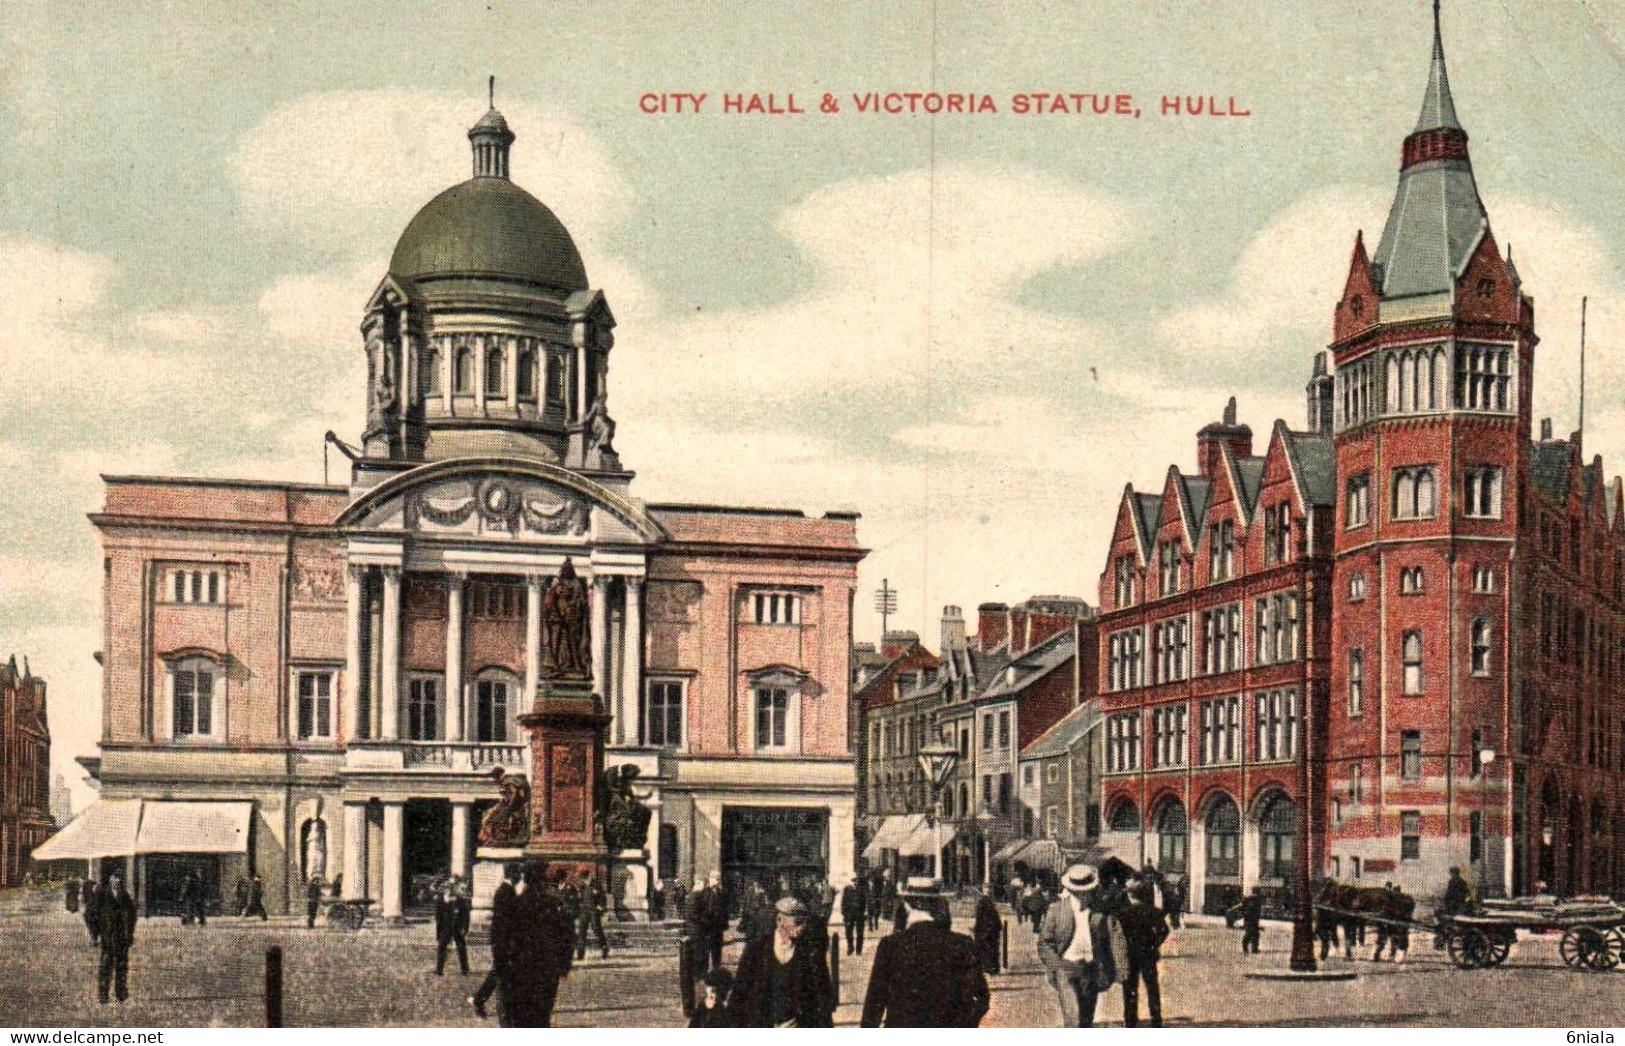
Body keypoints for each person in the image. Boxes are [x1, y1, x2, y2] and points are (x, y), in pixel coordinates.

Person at [861, 878, 989, 1028]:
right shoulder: (962, 944)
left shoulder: (890, 946)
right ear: (937, 904)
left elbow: (874, 1003)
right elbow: (982, 998)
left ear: (907, 906)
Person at [1036, 864, 1125, 1028]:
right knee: (1073, 1020)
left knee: (1085, 1021)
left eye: (1088, 891)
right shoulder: (1056, 910)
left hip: (1091, 971)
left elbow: (1115, 938)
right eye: (1081, 892)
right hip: (1067, 969)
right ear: (1072, 890)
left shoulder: (1102, 911)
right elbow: (1044, 943)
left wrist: (1121, 971)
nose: (1085, 895)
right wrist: (1057, 966)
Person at [729, 896, 835, 1027]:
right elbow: (739, 992)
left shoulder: (810, 953)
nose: (802, 927)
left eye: (804, 922)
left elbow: (822, 997)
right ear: (780, 921)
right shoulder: (757, 949)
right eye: (798, 922)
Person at [501, 864, 576, 1027]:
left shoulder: (516, 903)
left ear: (524, 879)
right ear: (543, 879)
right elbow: (568, 936)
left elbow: (505, 939)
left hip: (521, 969)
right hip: (548, 969)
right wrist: (564, 966)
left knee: (522, 1016)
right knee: (542, 1015)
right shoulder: (555, 902)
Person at [1117, 876, 1170, 1028]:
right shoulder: (1154, 912)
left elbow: (1118, 935)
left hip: (1130, 956)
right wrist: (1154, 944)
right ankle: (1156, 1019)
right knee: (1152, 987)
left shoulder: (1123, 914)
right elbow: (1164, 930)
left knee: (1130, 989)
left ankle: (1130, 1020)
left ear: (1129, 894)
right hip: (1149, 955)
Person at [471, 863, 521, 1019]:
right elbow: (507, 922)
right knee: (503, 975)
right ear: (513, 875)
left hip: (502, 942)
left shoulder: (505, 891)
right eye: (518, 874)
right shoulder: (506, 892)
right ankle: (501, 1009)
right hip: (503, 942)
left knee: (498, 974)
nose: (520, 878)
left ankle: (479, 1000)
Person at [96, 873, 138, 1004]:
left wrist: (130, 934)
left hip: (121, 937)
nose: (117, 882)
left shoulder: (125, 896)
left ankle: (121, 992)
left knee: (122, 965)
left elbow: (132, 917)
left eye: (119, 881)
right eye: (115, 880)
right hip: (107, 937)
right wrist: (96, 933)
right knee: (105, 966)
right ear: (110, 880)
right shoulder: (102, 895)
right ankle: (103, 994)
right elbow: (92, 914)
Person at [435, 877, 472, 975]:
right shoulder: (441, 900)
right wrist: (438, 931)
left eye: (452, 886)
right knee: (442, 946)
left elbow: (465, 915)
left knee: (461, 947)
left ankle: (465, 969)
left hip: (457, 927)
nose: (449, 888)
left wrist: (465, 927)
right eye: (447, 886)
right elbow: (438, 917)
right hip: (445, 927)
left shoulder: (460, 900)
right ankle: (439, 970)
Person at [1434, 867, 1472, 948]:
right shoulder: (1463, 882)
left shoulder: (1452, 881)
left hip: (1453, 906)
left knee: (1438, 914)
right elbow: (1467, 894)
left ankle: (1442, 936)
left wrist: (1445, 904)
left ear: (1452, 873)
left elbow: (1449, 895)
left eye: (1450, 873)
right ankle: (1443, 934)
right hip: (1460, 906)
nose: (1450, 874)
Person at [574, 873, 609, 961]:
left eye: (587, 878)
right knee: (581, 932)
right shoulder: (582, 887)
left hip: (594, 911)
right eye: (584, 879)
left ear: (590, 877)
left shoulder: (596, 886)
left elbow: (602, 897)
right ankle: (580, 953)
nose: (586, 880)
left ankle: (604, 948)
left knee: (597, 930)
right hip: (584, 911)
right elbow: (578, 899)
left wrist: (601, 906)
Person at [973, 886, 1002, 974]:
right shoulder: (984, 902)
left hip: (987, 930)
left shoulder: (984, 901)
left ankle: (990, 967)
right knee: (990, 949)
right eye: (986, 890)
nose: (988, 891)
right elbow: (980, 917)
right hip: (988, 930)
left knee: (988, 949)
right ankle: (991, 967)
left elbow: (979, 917)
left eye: (989, 890)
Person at [840, 877, 866, 955]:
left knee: (860, 933)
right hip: (849, 914)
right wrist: (844, 913)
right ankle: (850, 948)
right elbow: (843, 902)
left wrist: (863, 912)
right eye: (854, 882)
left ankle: (859, 950)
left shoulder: (861, 891)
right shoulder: (847, 890)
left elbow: (864, 902)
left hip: (859, 914)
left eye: (857, 882)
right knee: (848, 932)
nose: (856, 884)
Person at [1237, 888, 1263, 955]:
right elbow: (1241, 907)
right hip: (1249, 919)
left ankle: (1254, 949)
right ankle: (1245, 948)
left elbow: (1241, 907)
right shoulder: (1249, 899)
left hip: (1254, 919)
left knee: (1255, 934)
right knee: (1249, 934)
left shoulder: (1257, 899)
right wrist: (1243, 914)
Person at [81, 877, 101, 944]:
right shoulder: (87, 888)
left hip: (93, 911)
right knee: (92, 925)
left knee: (93, 925)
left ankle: (94, 939)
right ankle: (94, 939)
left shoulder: (94, 891)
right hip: (91, 911)